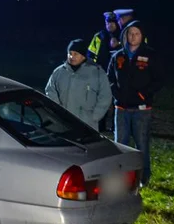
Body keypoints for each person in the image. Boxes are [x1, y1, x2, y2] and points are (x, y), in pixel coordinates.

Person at [107, 18, 162, 186]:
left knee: (141, 144)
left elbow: (159, 80)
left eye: (136, 34)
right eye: (130, 33)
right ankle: (121, 176)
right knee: (120, 144)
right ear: (125, 36)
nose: (133, 37)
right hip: (121, 108)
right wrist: (117, 95)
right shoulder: (118, 56)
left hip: (141, 109)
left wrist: (144, 94)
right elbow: (109, 78)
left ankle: (143, 177)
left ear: (142, 36)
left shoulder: (150, 55)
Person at [45, 38, 112, 128]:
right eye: (70, 53)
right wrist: (58, 111)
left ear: (83, 55)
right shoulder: (59, 72)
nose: (71, 57)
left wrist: (94, 117)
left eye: (75, 54)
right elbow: (50, 90)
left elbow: (105, 96)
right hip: (62, 122)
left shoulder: (97, 72)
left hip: (87, 124)